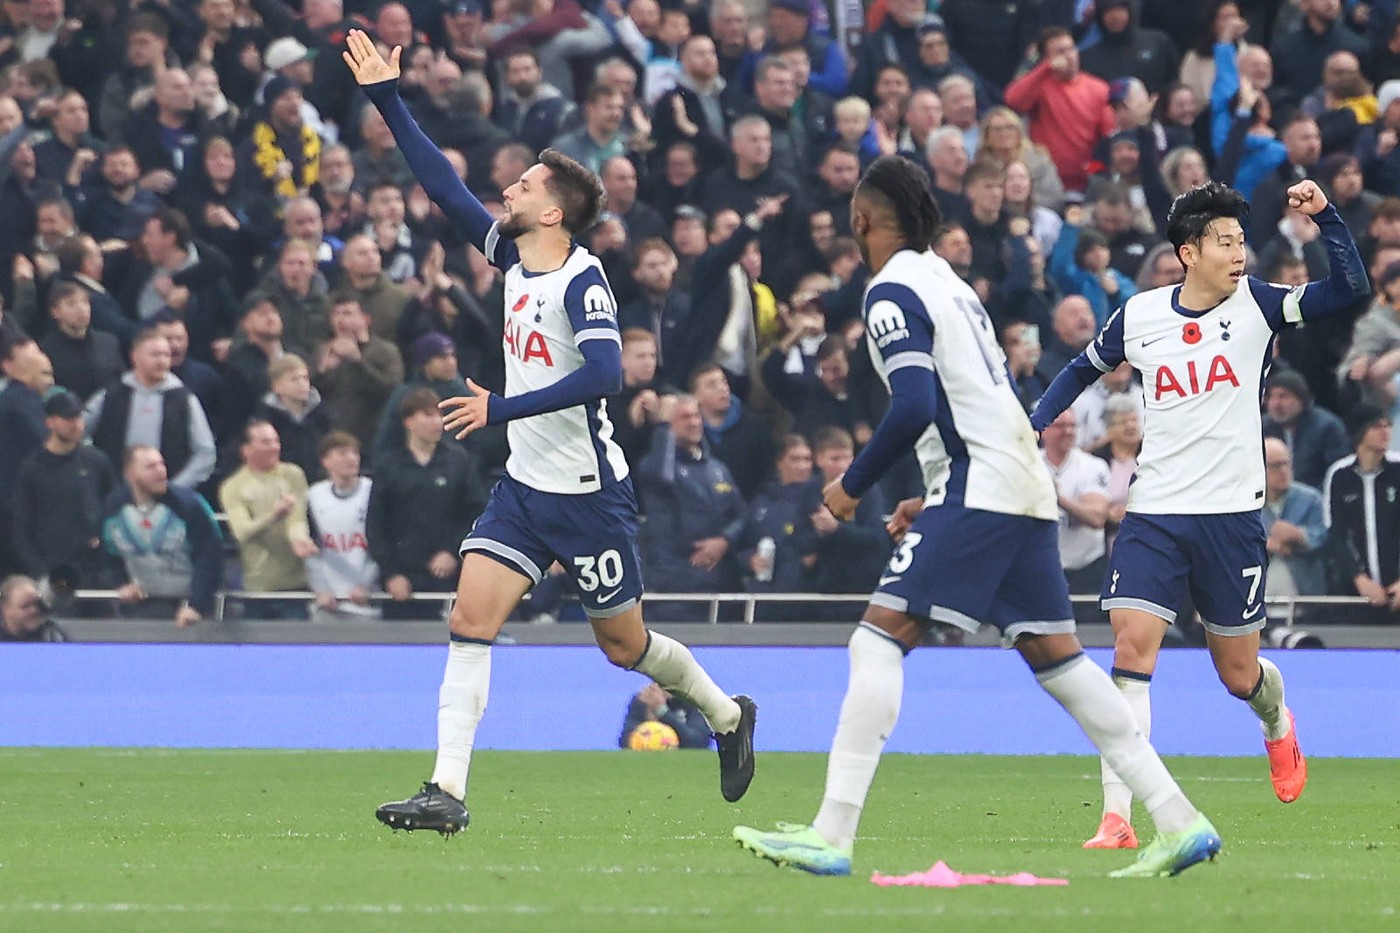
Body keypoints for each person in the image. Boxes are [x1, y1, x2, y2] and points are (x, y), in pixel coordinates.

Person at [734, 155, 1218, 879]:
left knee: (876, 642)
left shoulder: (891, 288)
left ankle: (831, 832)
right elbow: (969, 406)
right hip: (1017, 486)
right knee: (1063, 665)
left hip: (983, 487)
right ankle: (1179, 819)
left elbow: (916, 404)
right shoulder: (950, 285)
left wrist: (851, 485)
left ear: (861, 220)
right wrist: (933, 491)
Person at [348, 29, 754, 831]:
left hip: (587, 491)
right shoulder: (512, 256)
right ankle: (447, 792)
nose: (510, 184)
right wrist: (387, 99)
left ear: (554, 209)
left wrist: (500, 408)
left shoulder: (581, 279)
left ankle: (729, 717)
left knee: (624, 645)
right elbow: (443, 189)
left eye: (525, 180)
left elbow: (606, 376)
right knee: (468, 620)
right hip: (524, 492)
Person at [1030, 179, 1368, 849]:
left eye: (1241, 241)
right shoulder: (1139, 315)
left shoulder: (1261, 305)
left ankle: (1276, 722)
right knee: (1130, 649)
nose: (1239, 253)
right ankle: (1117, 815)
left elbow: (1350, 290)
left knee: (1239, 674)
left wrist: (1327, 216)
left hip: (1231, 517)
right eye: (1225, 242)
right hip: (1154, 512)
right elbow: (1081, 369)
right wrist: (1030, 425)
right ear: (1189, 251)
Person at [366, 388, 485, 619]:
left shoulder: (457, 461)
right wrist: (391, 574)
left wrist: (453, 551)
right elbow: (376, 523)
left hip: (449, 577)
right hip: (402, 579)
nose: (437, 423)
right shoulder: (389, 464)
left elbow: (476, 513)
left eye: (439, 416)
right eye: (428, 416)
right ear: (409, 421)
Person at [11, 391, 119, 596]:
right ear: (50, 422)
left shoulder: (97, 462)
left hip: (97, 569)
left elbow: (114, 508)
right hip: (54, 570)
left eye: (79, 417)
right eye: (69, 418)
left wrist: (105, 542)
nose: (76, 424)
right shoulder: (32, 469)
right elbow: (21, 527)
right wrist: (40, 571)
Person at [102, 445, 222, 628]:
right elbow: (108, 552)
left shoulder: (190, 505)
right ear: (130, 474)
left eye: (161, 464)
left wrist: (196, 605)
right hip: (141, 606)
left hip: (189, 607)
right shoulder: (114, 508)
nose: (160, 471)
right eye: (151, 467)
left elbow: (210, 557)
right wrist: (122, 583)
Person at [85, 329, 218, 490]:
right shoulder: (112, 393)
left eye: (166, 355)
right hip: (114, 492)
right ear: (135, 356)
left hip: (167, 497)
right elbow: (79, 432)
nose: (162, 361)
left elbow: (205, 452)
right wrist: (98, 472)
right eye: (155, 355)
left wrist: (176, 487)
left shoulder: (183, 399)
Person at [219, 420, 318, 617]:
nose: (274, 447)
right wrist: (274, 515)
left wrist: (299, 539)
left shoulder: (293, 475)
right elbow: (242, 532)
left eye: (275, 441)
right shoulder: (233, 486)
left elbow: (297, 518)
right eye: (266, 442)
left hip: (295, 585)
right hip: (258, 587)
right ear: (246, 450)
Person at [1321, 404, 1400, 614]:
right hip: (1354, 593)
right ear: (1360, 432)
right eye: (1377, 426)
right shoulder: (1339, 475)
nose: (1386, 432)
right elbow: (1336, 533)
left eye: (1388, 425)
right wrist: (1359, 578)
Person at [306, 431, 379, 619]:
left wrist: (366, 584)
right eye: (343, 453)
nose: (351, 458)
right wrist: (320, 589)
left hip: (366, 601)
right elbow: (310, 547)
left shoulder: (373, 492)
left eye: (354, 453)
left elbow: (381, 543)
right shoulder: (314, 495)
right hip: (326, 602)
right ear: (325, 461)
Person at [1041, 409, 1111, 598]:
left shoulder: (1092, 466)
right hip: (1042, 569)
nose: (1068, 431)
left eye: (1072, 425)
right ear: (1044, 430)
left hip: (1087, 567)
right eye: (1061, 426)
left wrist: (1058, 499)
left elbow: (1097, 517)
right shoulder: (1031, 464)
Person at [1261, 437, 1329, 620]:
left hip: (1303, 598)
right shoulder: (1246, 501)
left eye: (1286, 464)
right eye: (1275, 466)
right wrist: (1264, 544)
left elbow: (1324, 536)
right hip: (1257, 598)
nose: (1283, 471)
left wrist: (1299, 535)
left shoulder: (1310, 498)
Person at [618, 681, 712, 750]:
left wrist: (662, 712)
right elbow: (624, 741)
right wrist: (651, 722)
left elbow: (698, 742)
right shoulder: (645, 700)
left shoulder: (698, 702)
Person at [0, 575, 68, 642]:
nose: (34, 610)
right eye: (25, 606)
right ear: (6, 609)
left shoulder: (52, 635)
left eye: (37, 604)